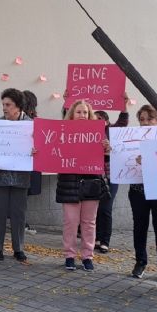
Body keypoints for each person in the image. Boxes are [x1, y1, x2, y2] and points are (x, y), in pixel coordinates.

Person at [55, 100, 111, 272]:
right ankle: (69, 256)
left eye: (85, 113)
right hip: (69, 184)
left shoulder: (98, 134)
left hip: (91, 184)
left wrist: (107, 150)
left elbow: (104, 161)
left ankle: (87, 256)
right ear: (72, 114)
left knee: (89, 223)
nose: (82, 115)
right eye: (79, 112)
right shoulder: (62, 133)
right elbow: (53, 154)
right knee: (70, 223)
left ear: (90, 115)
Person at [0, 88, 32, 262]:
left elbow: (41, 149)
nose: (4, 108)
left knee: (18, 214)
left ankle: (18, 248)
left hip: (21, 177)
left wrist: (35, 152)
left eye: (8, 105)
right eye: (3, 105)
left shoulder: (31, 125)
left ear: (18, 107)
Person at [129, 105, 157, 283]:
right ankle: (140, 262)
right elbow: (123, 159)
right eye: (142, 119)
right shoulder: (132, 139)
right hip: (138, 190)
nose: (146, 123)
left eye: (149, 119)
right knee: (140, 227)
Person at [93, 107, 129, 254]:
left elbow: (123, 121)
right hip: (94, 173)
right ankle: (96, 237)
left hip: (111, 174)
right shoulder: (88, 132)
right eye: (94, 119)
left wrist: (124, 106)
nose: (97, 122)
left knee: (106, 207)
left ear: (107, 121)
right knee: (94, 207)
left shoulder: (113, 131)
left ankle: (105, 240)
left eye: (100, 119)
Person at [22, 90, 39, 235]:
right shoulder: (32, 121)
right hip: (28, 162)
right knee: (23, 193)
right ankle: (22, 222)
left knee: (24, 193)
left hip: (30, 161)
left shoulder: (33, 120)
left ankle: (22, 221)